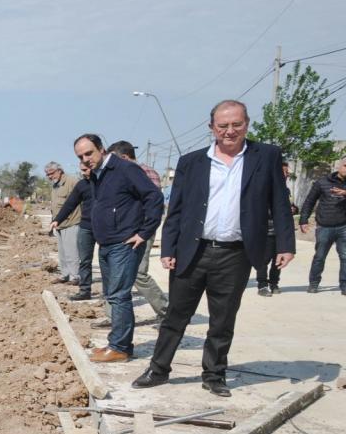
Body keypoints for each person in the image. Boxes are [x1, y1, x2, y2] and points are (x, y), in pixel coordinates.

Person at [133, 100, 295, 397]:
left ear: (247, 124)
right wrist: (168, 248)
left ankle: (214, 374)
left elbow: (280, 202)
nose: (230, 131)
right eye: (223, 126)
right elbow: (176, 209)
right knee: (176, 316)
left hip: (236, 253)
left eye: (236, 124)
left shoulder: (266, 156)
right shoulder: (191, 162)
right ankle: (158, 369)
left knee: (223, 319)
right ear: (212, 128)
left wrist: (285, 243)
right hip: (192, 251)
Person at [72, 133, 164, 363]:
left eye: (89, 153)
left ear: (101, 149)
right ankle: (117, 343)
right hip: (106, 242)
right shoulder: (98, 174)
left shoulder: (125, 169)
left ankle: (120, 348)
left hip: (124, 242)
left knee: (119, 295)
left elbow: (154, 197)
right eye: (80, 157)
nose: (85, 160)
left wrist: (144, 232)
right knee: (112, 295)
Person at [103, 141, 168, 320]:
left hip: (140, 232)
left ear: (124, 157)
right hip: (122, 232)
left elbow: (153, 204)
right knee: (114, 273)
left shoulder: (144, 173)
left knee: (138, 274)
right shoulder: (119, 173)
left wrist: (143, 232)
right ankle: (114, 317)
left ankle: (166, 311)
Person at [299, 155, 346, 295]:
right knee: (319, 257)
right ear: (339, 166)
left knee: (345, 257)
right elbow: (309, 201)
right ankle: (313, 284)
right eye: (345, 166)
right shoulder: (322, 182)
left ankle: (344, 286)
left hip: (343, 227)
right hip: (324, 226)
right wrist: (303, 220)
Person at [52, 165, 96, 299]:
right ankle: (84, 291)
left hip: (105, 226)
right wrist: (58, 219)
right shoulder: (82, 184)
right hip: (86, 226)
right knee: (85, 260)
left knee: (106, 260)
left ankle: (111, 293)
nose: (83, 173)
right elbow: (70, 203)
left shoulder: (106, 182)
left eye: (86, 170)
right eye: (82, 170)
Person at [256, 160, 298, 295]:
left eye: (287, 172)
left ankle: (274, 283)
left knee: (279, 259)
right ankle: (262, 285)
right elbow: (259, 210)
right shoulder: (264, 189)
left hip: (281, 232)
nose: (285, 174)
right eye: (283, 172)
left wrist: (293, 209)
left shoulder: (286, 190)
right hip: (267, 231)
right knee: (263, 260)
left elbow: (288, 208)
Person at [45, 161, 81, 283]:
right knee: (62, 253)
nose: (50, 176)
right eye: (47, 174)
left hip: (71, 222)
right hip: (59, 224)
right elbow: (55, 206)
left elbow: (80, 202)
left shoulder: (72, 182)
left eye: (51, 173)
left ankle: (75, 276)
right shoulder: (55, 186)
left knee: (72, 252)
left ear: (59, 171)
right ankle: (65, 275)